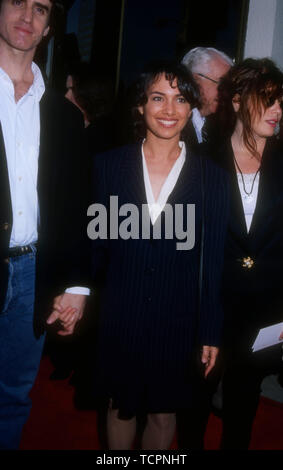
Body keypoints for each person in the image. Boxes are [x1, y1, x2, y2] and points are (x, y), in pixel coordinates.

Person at [88, 61, 229, 450]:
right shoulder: (108, 166)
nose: (169, 110)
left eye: (180, 99)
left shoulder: (211, 178)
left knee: (165, 412)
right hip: (121, 312)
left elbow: (214, 261)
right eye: (157, 98)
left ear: (192, 108)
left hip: (179, 317)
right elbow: (96, 246)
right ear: (140, 105)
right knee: (120, 406)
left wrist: (211, 330)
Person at [0, 0, 89, 449]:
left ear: (49, 26)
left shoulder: (64, 116)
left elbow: (76, 208)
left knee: (14, 397)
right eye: (16, 0)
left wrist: (76, 283)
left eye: (39, 7)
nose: (26, 15)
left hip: (34, 274)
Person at [212, 57, 283, 449]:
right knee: (193, 401)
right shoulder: (203, 161)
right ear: (237, 101)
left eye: (281, 102)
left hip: (267, 309)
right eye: (269, 100)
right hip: (212, 305)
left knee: (243, 404)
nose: (278, 111)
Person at [181, 47, 232, 149]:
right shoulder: (175, 124)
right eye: (221, 83)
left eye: (229, 86)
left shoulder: (219, 128)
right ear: (195, 80)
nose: (226, 92)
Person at [65, 62, 117, 155]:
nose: (66, 96)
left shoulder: (101, 141)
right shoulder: (68, 130)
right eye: (67, 90)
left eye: (72, 90)